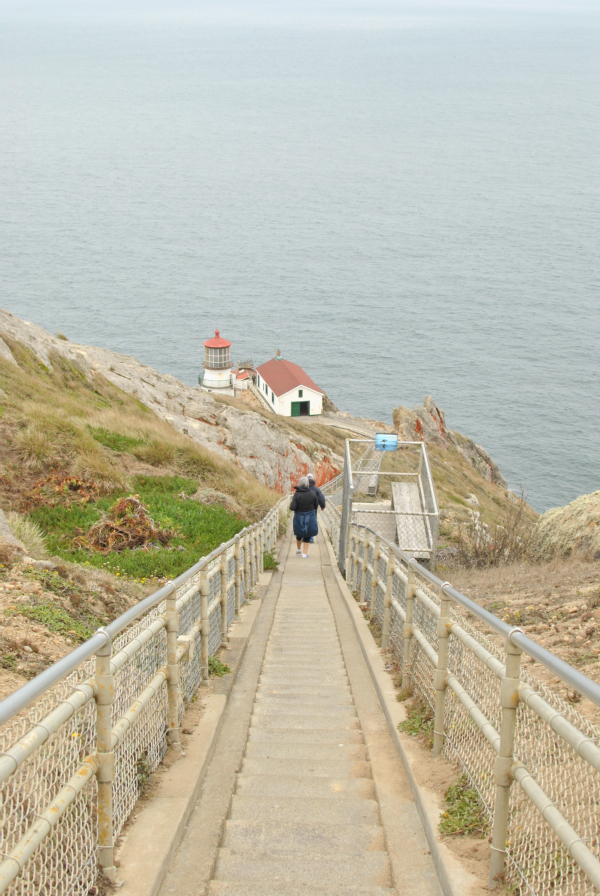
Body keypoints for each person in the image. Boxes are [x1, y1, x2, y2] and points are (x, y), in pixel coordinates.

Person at [290, 476, 318, 558]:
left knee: (299, 534)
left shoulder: (297, 494)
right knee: (308, 535)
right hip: (310, 516)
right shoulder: (313, 493)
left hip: (299, 516)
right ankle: (304, 554)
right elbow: (316, 506)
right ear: (307, 484)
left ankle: (299, 550)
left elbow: (292, 507)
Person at [306, 473, 325, 543]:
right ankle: (311, 538)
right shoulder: (316, 489)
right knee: (312, 522)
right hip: (313, 508)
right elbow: (321, 498)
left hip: (303, 508)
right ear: (313, 479)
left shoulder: (303, 488)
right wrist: (322, 506)